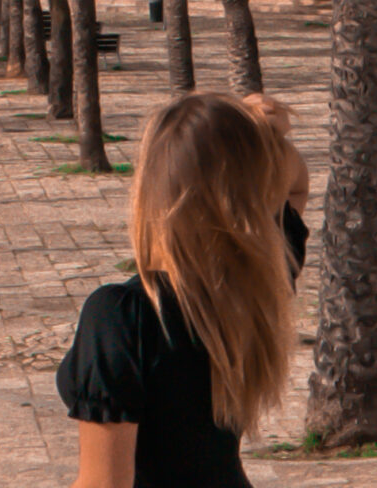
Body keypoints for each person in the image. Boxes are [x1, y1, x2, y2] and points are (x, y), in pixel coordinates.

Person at [57, 92, 309, 488]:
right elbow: (296, 187)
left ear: (151, 186)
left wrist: (260, 137)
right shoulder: (258, 283)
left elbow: (104, 484)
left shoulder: (123, 317)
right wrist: (268, 137)